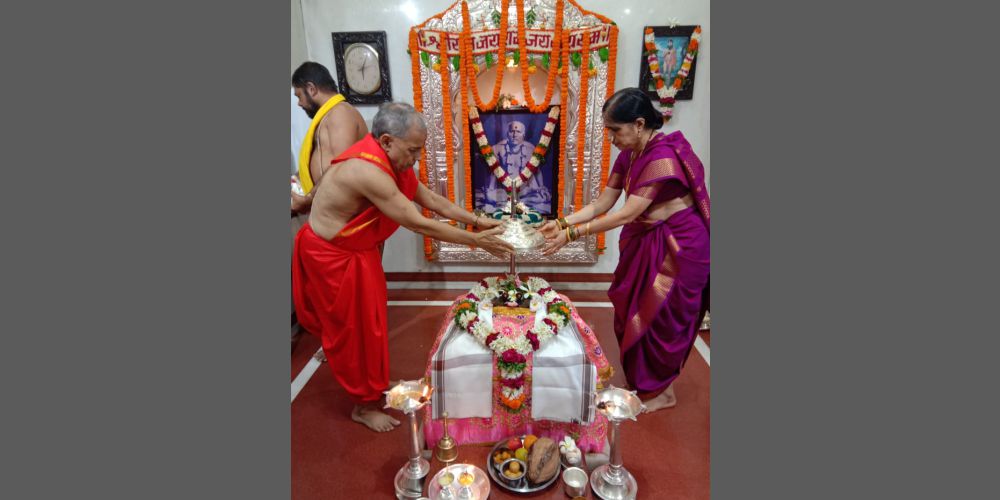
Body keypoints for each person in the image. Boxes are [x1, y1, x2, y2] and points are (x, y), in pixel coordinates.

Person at [292, 102, 514, 432]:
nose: (417, 158)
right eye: (413, 150)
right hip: (332, 257)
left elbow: (431, 200)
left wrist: (478, 222)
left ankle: (374, 383)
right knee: (352, 333)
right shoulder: (367, 171)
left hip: (357, 252)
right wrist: (477, 241)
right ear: (386, 141)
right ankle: (362, 406)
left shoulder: (391, 161)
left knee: (372, 325)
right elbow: (416, 221)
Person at [540, 88, 710, 413]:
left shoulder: (661, 158)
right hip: (649, 242)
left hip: (679, 249)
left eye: (615, 130)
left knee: (661, 320)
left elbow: (626, 214)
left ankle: (663, 393)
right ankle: (645, 384)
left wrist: (572, 234)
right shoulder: (629, 154)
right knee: (631, 310)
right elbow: (604, 202)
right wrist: (561, 222)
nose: (611, 138)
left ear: (639, 124)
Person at [290, 61, 368, 215]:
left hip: (347, 215)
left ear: (311, 89)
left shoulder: (340, 113)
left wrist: (309, 198)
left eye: (299, 96)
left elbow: (339, 167)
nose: (299, 103)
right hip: (330, 209)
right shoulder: (328, 115)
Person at [485, 120, 551, 213]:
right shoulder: (498, 148)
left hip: (527, 189)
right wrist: (491, 189)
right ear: (507, 133)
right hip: (506, 189)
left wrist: (541, 187)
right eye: (512, 131)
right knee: (490, 196)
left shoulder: (530, 148)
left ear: (523, 134)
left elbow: (537, 171)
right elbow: (494, 171)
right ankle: (517, 202)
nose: (514, 135)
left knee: (541, 196)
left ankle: (515, 202)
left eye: (518, 132)